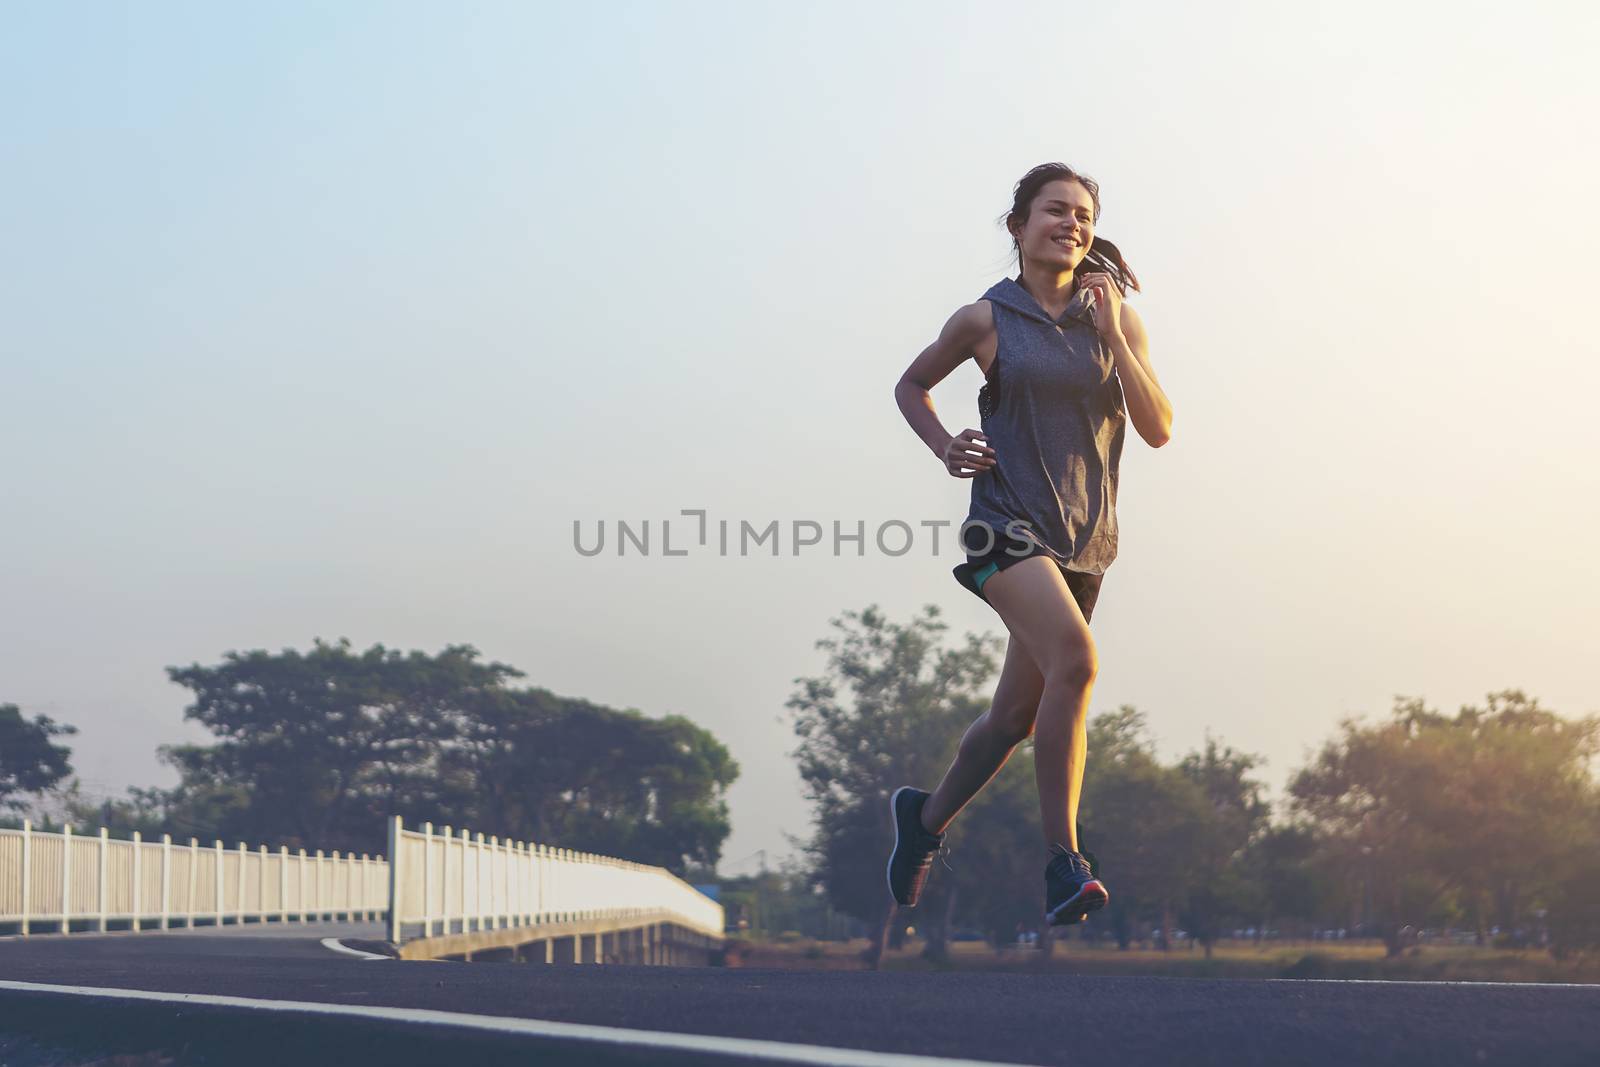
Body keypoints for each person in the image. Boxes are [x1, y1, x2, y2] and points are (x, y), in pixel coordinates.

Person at [887, 162, 1173, 926]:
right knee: (1077, 663)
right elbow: (911, 386)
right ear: (1018, 226)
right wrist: (946, 443)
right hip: (1004, 528)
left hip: (1085, 544)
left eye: (1083, 214)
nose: (1071, 224)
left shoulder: (1115, 319)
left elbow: (1158, 428)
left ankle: (924, 819)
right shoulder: (985, 320)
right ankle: (1064, 862)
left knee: (1015, 718)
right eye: (1055, 211)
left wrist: (1113, 330)